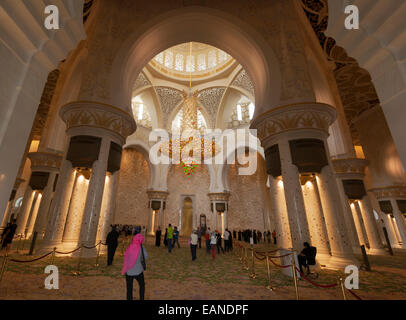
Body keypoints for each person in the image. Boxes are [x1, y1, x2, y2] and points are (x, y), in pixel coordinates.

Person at [122, 232, 147, 300]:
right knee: (142, 285)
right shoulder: (141, 247)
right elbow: (146, 256)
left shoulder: (130, 246)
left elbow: (126, 256)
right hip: (138, 271)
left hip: (129, 271)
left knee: (129, 288)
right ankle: (141, 298)